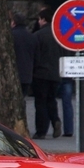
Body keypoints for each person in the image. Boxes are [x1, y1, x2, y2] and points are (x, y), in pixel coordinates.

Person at [31, 8, 62, 139]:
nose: (38, 21)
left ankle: (41, 131)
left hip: (41, 74)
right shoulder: (59, 35)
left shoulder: (38, 35)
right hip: (56, 73)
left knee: (40, 102)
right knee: (51, 100)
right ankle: (55, 120)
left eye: (39, 19)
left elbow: (35, 56)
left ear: (43, 20)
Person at [10, 12, 36, 98]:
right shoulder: (32, 37)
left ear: (13, 22)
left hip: (13, 74)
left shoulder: (11, 35)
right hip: (27, 75)